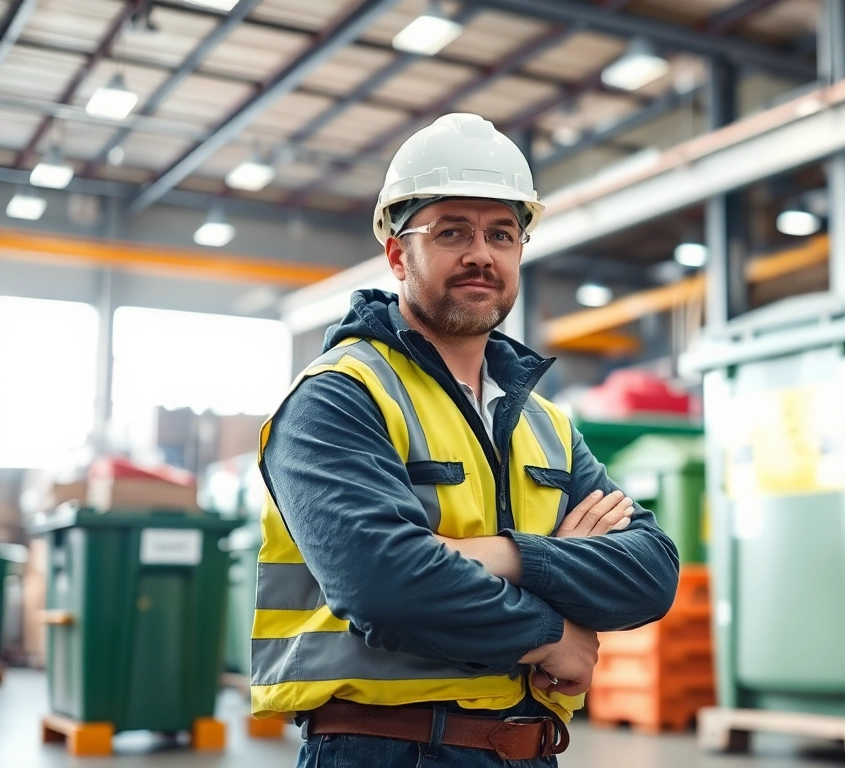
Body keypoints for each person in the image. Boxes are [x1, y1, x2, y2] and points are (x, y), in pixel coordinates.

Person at [251, 113, 681, 767]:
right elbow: (385, 584)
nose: (482, 252)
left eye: (502, 233)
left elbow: (650, 573)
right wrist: (550, 633)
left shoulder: (547, 424)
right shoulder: (340, 396)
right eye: (452, 231)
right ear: (398, 254)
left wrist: (504, 556)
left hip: (529, 752)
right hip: (387, 748)